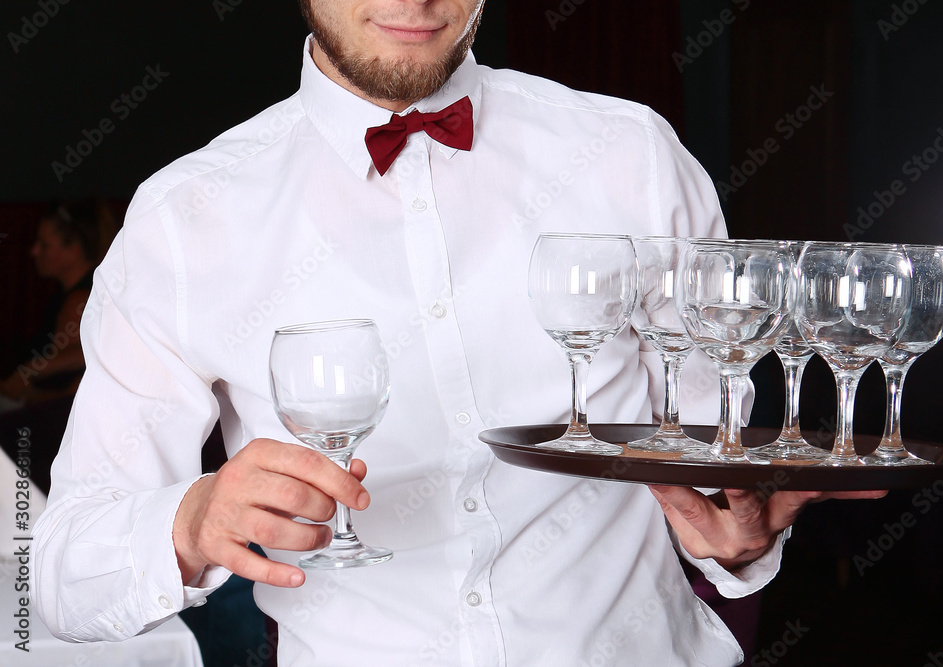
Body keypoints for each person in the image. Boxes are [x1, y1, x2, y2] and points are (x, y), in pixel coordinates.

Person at [32, 2, 882, 665]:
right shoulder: (184, 220)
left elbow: (712, 469)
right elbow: (60, 573)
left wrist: (737, 542)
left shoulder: (634, 156)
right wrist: (191, 519)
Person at [0, 199, 110, 411]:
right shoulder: (76, 295)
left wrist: (29, 381)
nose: (34, 251)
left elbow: (83, 379)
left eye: (44, 244)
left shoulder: (80, 301)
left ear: (74, 251)